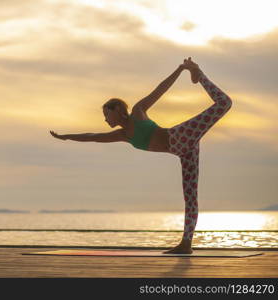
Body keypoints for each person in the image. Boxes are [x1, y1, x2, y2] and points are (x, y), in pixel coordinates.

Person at [50, 57, 232, 254]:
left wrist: (181, 70)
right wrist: (67, 137)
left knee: (224, 103)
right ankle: (186, 244)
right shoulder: (123, 135)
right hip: (183, 151)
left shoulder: (138, 112)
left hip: (179, 137)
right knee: (190, 197)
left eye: (107, 114)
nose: (105, 119)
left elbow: (160, 90)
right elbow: (93, 137)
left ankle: (198, 73)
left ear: (118, 110)